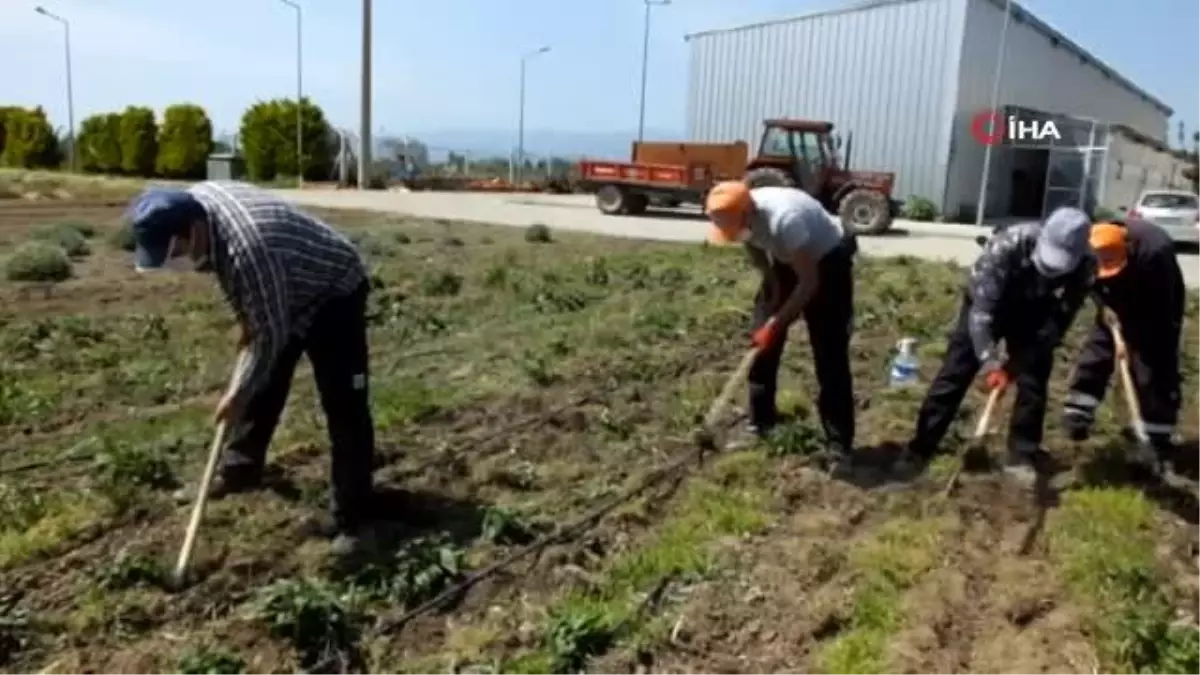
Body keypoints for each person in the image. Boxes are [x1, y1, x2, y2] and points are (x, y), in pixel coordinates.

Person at [125, 181, 377, 555]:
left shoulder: (249, 249)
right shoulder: (195, 207)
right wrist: (247, 329)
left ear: (193, 231)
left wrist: (236, 393)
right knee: (265, 381)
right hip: (282, 278)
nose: (174, 260)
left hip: (333, 290)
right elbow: (244, 295)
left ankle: (356, 518)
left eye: (174, 251)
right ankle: (240, 468)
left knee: (344, 403)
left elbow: (268, 335)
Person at [901, 206, 1096, 479]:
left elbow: (1057, 324)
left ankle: (1022, 452)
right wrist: (991, 364)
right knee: (955, 373)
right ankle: (921, 447)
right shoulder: (1007, 246)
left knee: (1034, 380)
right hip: (989, 303)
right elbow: (981, 315)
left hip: (1036, 312)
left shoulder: (1086, 264)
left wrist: (1016, 365)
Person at [704, 181, 858, 469]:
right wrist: (773, 286)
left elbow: (809, 282)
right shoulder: (741, 217)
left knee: (829, 353)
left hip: (826, 260)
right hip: (787, 260)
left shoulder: (786, 220)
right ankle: (761, 423)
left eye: (735, 228)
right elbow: (754, 247)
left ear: (748, 215)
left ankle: (840, 445)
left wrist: (777, 322)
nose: (733, 235)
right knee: (761, 344)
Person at [1062, 218, 1185, 473]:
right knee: (1100, 344)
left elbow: (1158, 313)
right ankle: (1078, 412)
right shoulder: (1087, 249)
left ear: (1126, 247)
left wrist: (1131, 341)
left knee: (1153, 360)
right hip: (1114, 291)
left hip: (1156, 298)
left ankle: (1156, 433)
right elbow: (1091, 285)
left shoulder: (1155, 254)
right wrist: (1105, 308)